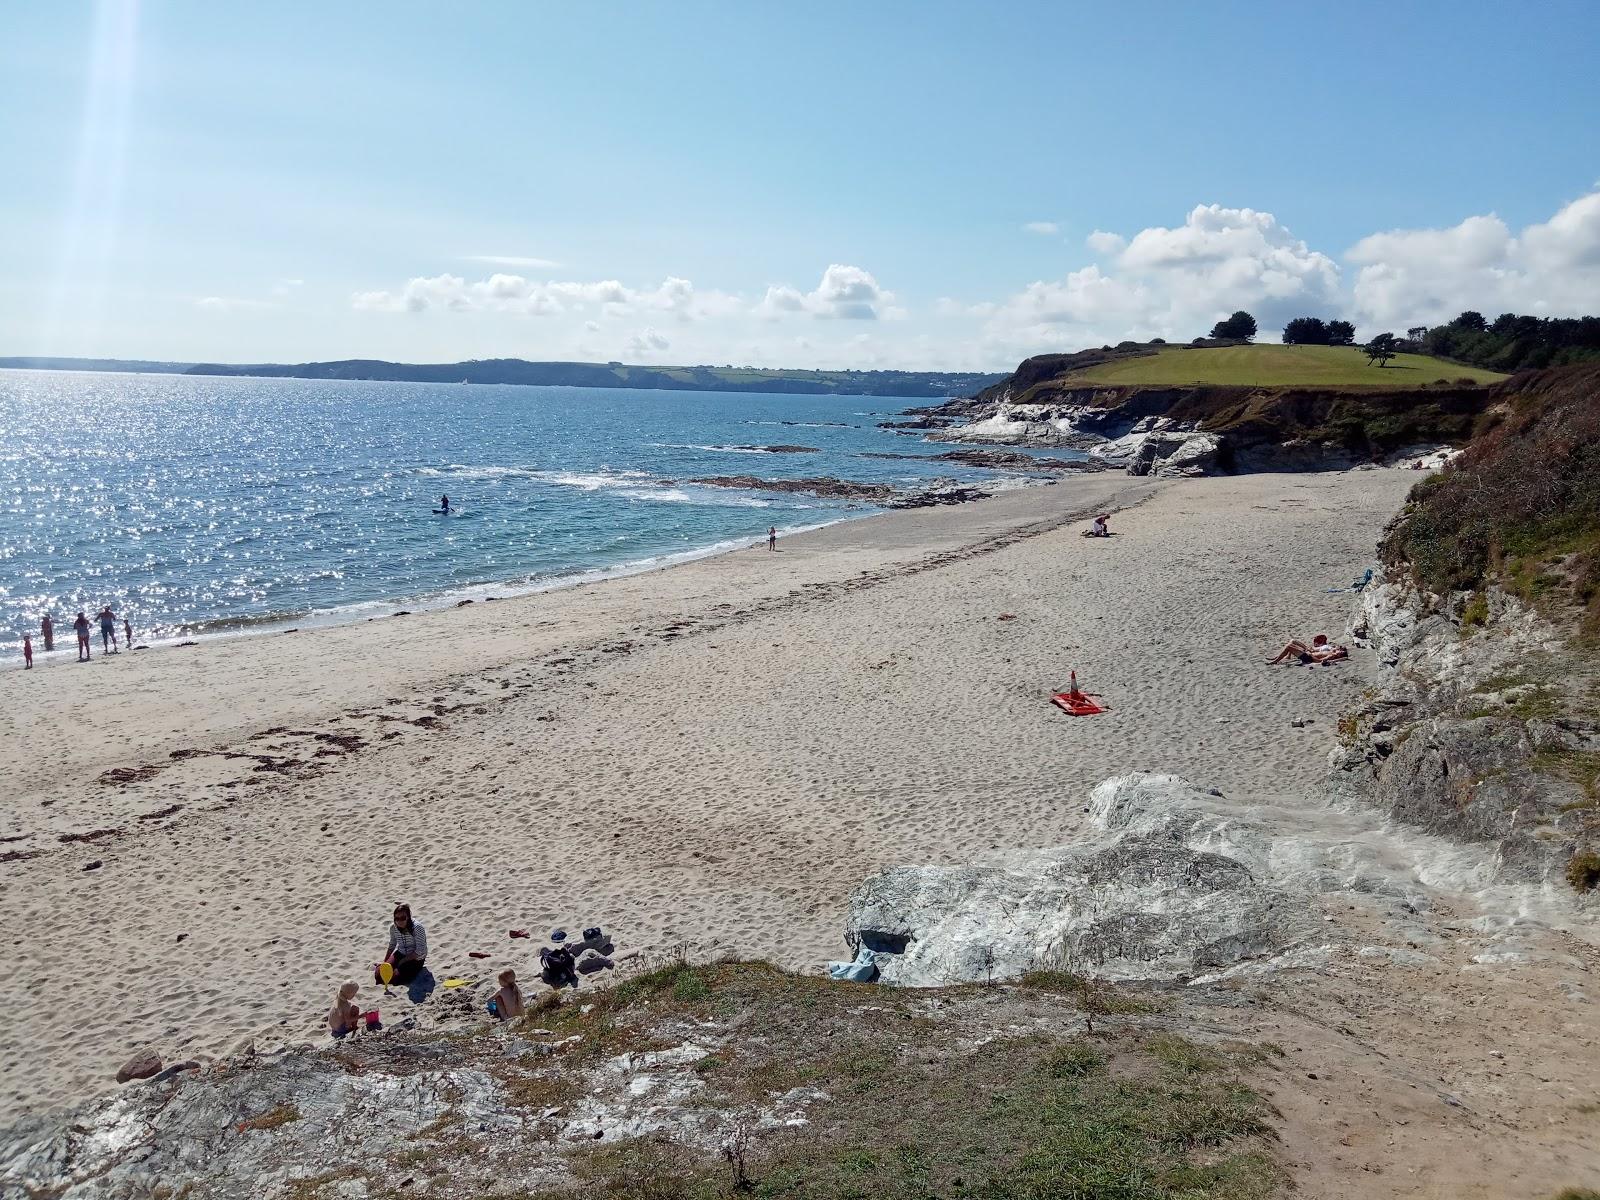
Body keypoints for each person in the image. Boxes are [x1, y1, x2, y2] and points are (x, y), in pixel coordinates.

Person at [378, 903, 428, 984]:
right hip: (401, 953)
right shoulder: (393, 927)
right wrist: (385, 963)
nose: (399, 921)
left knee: (396, 978)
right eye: (397, 918)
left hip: (416, 958)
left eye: (403, 918)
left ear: (408, 917)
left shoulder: (417, 928)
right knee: (379, 974)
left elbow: (420, 951)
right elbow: (392, 945)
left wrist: (403, 961)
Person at [1267, 634, 1348, 666]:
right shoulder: (1331, 652)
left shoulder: (1331, 655)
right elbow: (1345, 658)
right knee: (1292, 643)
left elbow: (1319, 661)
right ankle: (1277, 659)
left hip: (1308, 657)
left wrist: (1310, 654)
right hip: (1308, 654)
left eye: (1340, 651)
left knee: (1289, 646)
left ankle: (1275, 661)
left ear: (1339, 654)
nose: (1339, 649)